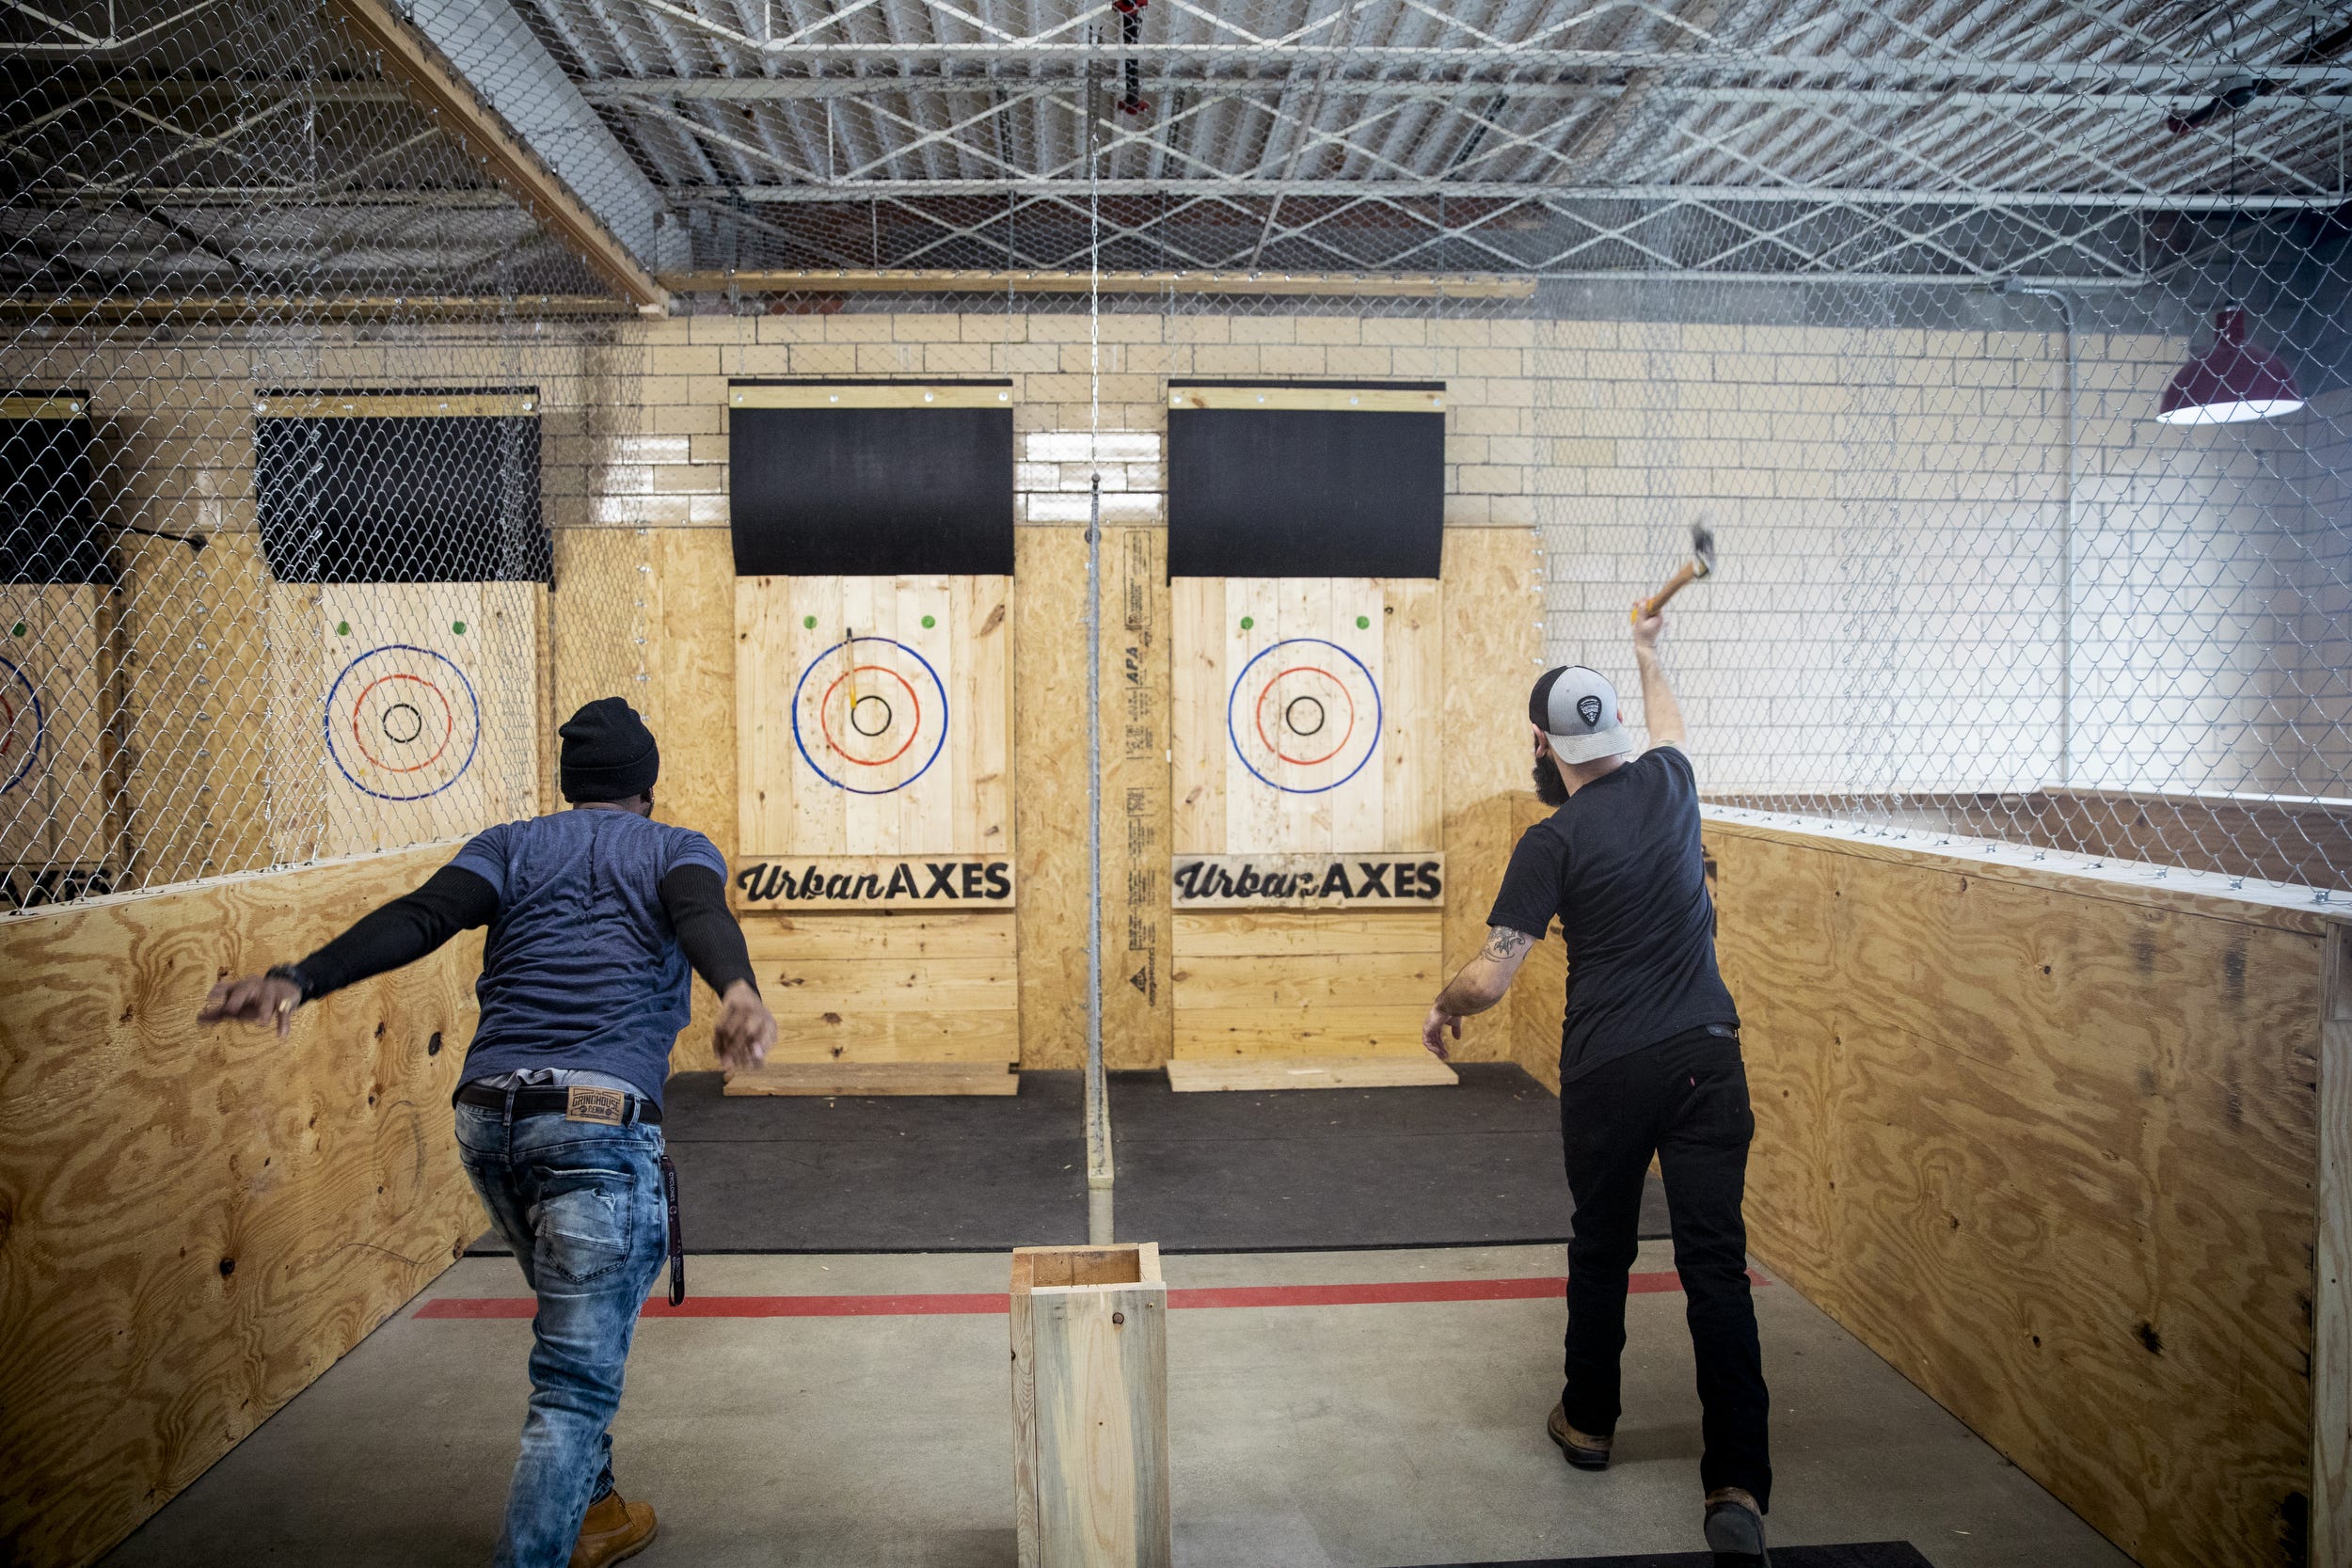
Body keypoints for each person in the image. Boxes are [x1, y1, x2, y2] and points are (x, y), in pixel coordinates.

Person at [201, 696, 778, 1568]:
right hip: (595, 1125)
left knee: (570, 1309)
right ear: (647, 791)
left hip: (491, 1119)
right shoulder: (676, 847)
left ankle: (592, 1514)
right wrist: (737, 989)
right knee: (575, 1384)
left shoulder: (510, 843)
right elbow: (701, 913)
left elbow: (423, 915)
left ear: (567, 784)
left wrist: (298, 979)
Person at [1421, 606, 1770, 1565]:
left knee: (1602, 1247)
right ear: (1609, 728)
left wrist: (1444, 1006)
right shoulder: (1670, 781)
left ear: (1541, 743)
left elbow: (1492, 974)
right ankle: (1735, 1479)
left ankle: (1588, 1420)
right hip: (1707, 1056)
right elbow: (1673, 728)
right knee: (1715, 1268)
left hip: (1612, 1070)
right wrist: (1648, 650)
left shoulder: (1552, 841)